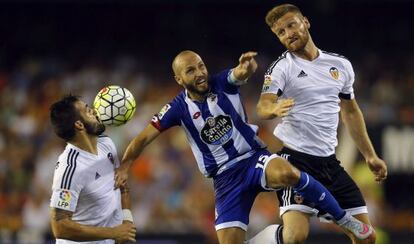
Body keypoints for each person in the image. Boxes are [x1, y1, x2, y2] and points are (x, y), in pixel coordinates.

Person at [115, 50, 372, 244]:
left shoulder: (221, 83)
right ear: (178, 78)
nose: (200, 72)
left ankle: (342, 218)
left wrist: (245, 68)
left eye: (201, 66)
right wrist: (125, 166)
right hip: (225, 179)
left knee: (287, 173)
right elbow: (141, 139)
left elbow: (238, 74)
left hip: (253, 159)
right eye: (191, 70)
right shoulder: (176, 108)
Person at [257, 4, 388, 244]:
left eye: (291, 25)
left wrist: (370, 156)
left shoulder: (340, 65)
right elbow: (263, 105)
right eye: (281, 32)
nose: (288, 33)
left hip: (330, 164)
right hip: (296, 162)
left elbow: (350, 112)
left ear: (305, 22)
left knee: (367, 238)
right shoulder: (282, 68)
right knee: (295, 236)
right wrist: (273, 108)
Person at [49, 95, 136, 243]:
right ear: (79, 125)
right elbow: (59, 226)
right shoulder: (69, 169)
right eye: (88, 111)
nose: (96, 111)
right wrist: (114, 232)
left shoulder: (106, 144)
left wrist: (126, 222)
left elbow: (121, 186)